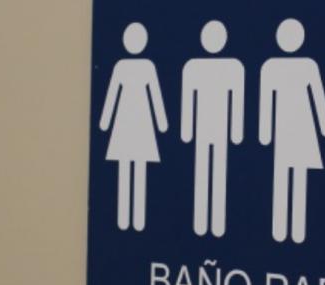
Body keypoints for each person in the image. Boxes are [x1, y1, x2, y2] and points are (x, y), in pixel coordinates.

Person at [259, 19, 325, 244]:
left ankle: (294, 231)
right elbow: (266, 102)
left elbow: (317, 98)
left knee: (296, 178)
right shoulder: (271, 67)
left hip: (302, 130)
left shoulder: (307, 66)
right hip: (286, 131)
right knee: (284, 177)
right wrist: (265, 132)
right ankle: (281, 229)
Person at [99, 23, 168, 232]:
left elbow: (154, 95)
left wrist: (161, 122)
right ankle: (127, 219)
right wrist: (105, 121)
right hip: (128, 124)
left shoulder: (144, 67)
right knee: (129, 169)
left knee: (135, 169)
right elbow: (113, 95)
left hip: (138, 125)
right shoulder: (124, 67)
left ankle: (135, 219)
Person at [181, 20, 245, 238]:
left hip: (219, 130)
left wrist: (236, 132)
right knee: (203, 171)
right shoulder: (192, 67)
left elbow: (237, 102)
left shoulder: (234, 68)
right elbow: (188, 101)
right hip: (204, 130)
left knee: (217, 172)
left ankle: (216, 223)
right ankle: (201, 223)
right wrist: (187, 130)